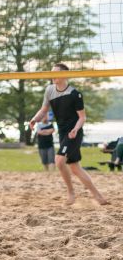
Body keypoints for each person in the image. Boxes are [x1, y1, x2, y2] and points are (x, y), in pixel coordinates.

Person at [29, 63, 108, 205]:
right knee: (75, 167)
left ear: (64, 75)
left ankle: (71, 193)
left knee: (59, 161)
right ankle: (98, 196)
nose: (52, 76)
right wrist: (35, 119)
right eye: (51, 73)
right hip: (63, 133)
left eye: (55, 73)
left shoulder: (75, 94)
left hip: (74, 133)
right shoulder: (49, 90)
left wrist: (76, 129)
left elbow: (82, 117)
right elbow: (44, 109)